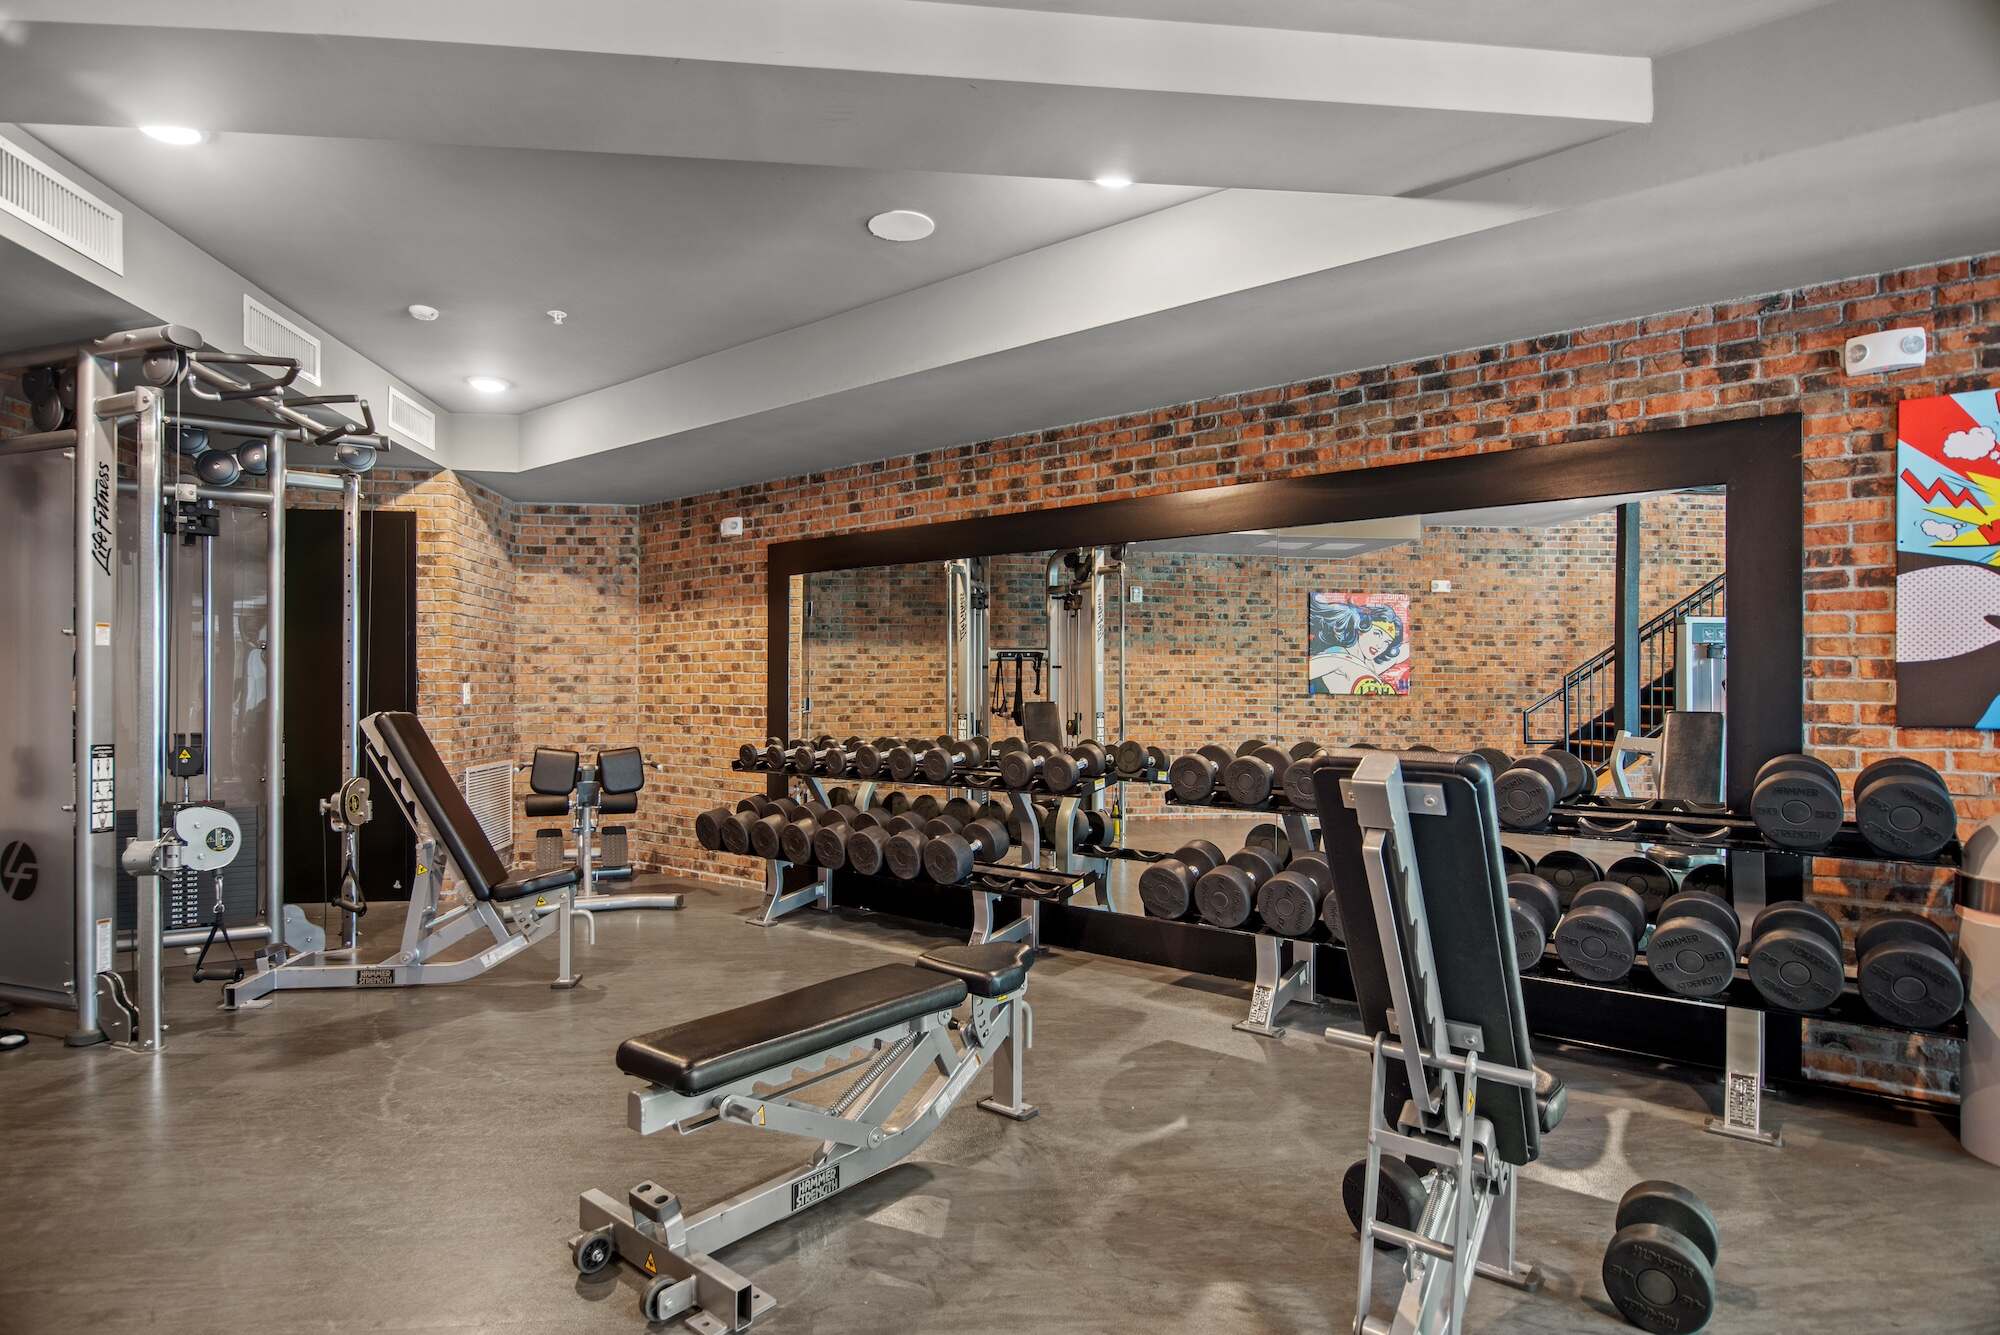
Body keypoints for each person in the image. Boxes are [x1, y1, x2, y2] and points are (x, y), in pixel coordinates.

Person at [1308, 596, 1410, 696]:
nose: (1380, 645)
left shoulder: (1371, 665)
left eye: (1387, 642)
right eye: (1377, 634)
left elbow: (1401, 654)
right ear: (1362, 627)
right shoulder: (1336, 659)